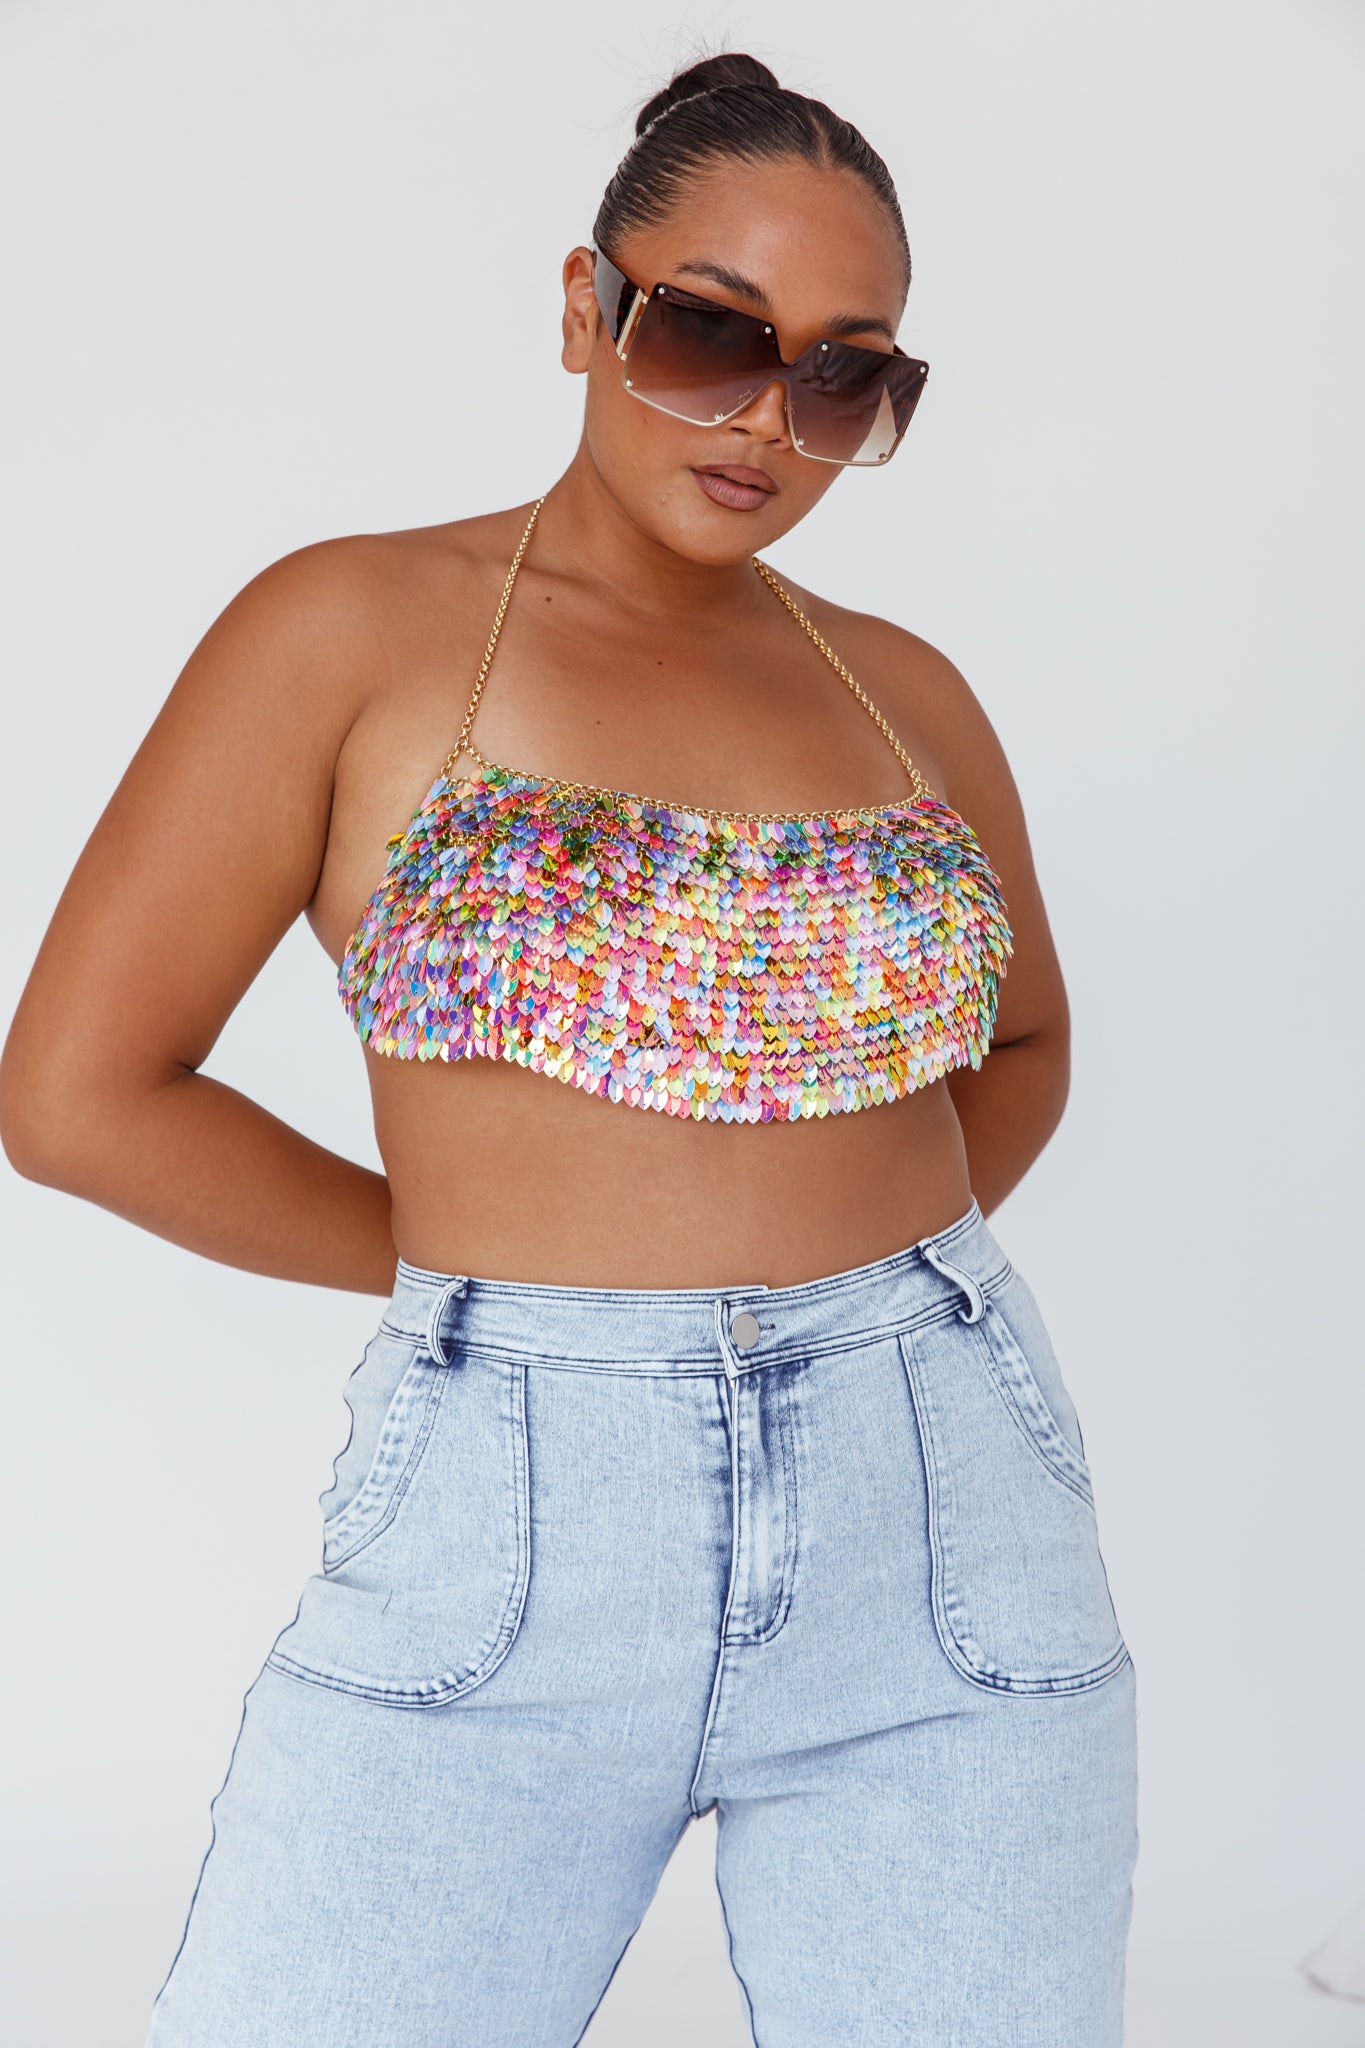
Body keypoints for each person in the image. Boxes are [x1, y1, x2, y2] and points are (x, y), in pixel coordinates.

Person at [0, 49, 1139, 2048]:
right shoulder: (348, 631)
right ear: (580, 307)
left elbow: (1024, 1036)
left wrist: (875, 1288)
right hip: (512, 1501)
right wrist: (486, 1276)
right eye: (709, 333)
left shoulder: (904, 695)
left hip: (942, 1515)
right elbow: (78, 1097)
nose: (765, 417)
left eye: (842, 376)